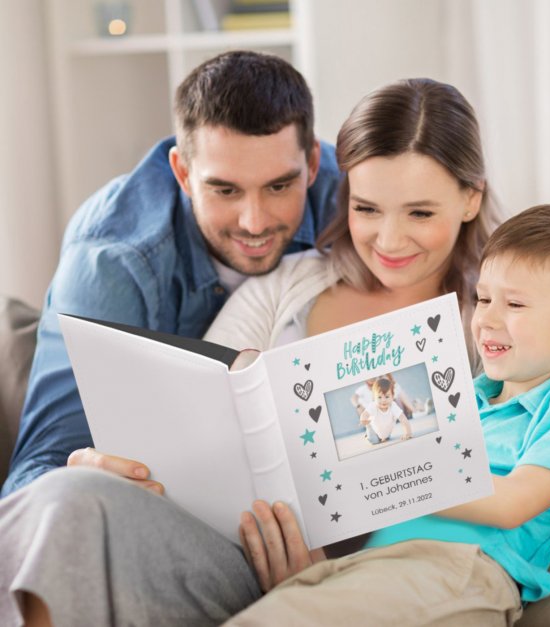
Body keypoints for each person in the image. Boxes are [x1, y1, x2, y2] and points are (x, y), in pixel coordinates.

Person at [0, 77, 501, 626]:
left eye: (420, 214)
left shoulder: (491, 325)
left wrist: (320, 578)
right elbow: (188, 409)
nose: (388, 239)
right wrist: (107, 464)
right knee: (70, 497)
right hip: (215, 547)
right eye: (367, 209)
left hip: (359, 581)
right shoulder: (291, 282)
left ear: (470, 197)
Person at [224, 203, 550, 626]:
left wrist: (391, 463)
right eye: (483, 298)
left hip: (460, 571)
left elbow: (513, 503)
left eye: (516, 305)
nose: (486, 318)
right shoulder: (465, 394)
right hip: (373, 566)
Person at [1, 50, 340, 497]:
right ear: (182, 172)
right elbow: (31, 478)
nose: (254, 221)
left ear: (312, 163)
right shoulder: (112, 262)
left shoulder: (355, 201)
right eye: (224, 189)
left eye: (279, 186)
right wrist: (80, 482)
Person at [359, 376, 412, 444]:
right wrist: (363, 419)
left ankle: (382, 436)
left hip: (387, 433)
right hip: (374, 431)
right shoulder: (373, 405)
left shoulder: (393, 406)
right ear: (374, 397)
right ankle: (368, 428)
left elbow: (403, 419)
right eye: (379, 397)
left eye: (387, 396)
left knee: (386, 437)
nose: (383, 400)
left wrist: (408, 433)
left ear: (392, 396)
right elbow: (365, 414)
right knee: (374, 441)